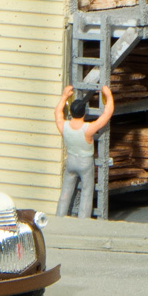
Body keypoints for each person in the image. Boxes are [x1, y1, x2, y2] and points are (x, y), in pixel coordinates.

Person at [54, 84, 114, 218]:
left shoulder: (64, 126)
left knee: (65, 192)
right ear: (84, 113)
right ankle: (83, 221)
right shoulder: (88, 129)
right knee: (87, 192)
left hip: (71, 160)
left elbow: (57, 113)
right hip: (85, 163)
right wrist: (108, 96)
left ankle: (59, 217)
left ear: (71, 110)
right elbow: (106, 114)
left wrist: (64, 97)